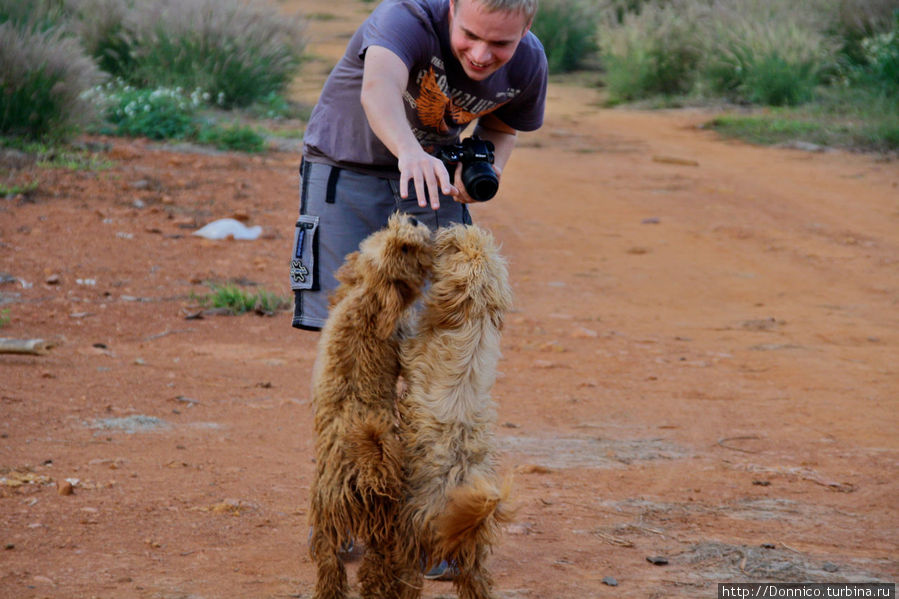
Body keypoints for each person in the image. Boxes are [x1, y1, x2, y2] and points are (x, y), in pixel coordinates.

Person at [289, 0, 548, 331]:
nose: (481, 55)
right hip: (346, 166)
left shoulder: (529, 61)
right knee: (349, 321)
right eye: (470, 35)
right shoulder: (406, 17)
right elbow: (379, 88)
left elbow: (500, 127)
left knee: (440, 317)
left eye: (500, 43)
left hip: (431, 180)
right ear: (452, 7)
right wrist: (408, 151)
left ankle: (423, 386)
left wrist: (488, 167)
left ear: (525, 31)